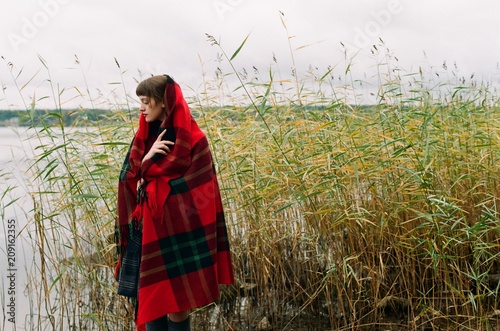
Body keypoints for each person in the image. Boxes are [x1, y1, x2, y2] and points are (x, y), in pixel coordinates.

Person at [115, 74, 234, 331]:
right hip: (147, 229)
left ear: (164, 102)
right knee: (152, 299)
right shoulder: (145, 136)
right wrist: (146, 162)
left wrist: (149, 180)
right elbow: (128, 177)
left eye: (146, 101)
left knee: (178, 306)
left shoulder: (194, 139)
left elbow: (197, 190)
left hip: (179, 231)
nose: (141, 107)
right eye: (141, 102)